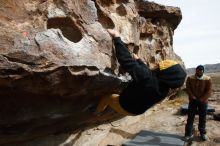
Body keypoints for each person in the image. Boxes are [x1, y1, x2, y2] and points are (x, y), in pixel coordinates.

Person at [95, 29, 187, 116]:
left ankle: (96, 113)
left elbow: (126, 61)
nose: (156, 65)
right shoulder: (164, 90)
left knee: (108, 97)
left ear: (165, 73)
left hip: (124, 106)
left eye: (160, 67)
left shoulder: (148, 79)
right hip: (137, 111)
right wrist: (139, 61)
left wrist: (116, 37)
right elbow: (148, 75)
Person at [183, 65, 212, 141]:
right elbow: (188, 88)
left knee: (202, 118)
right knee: (190, 118)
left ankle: (203, 133)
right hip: (193, 101)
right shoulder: (190, 78)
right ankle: (188, 134)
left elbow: (209, 91)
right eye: (198, 70)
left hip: (203, 102)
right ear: (196, 70)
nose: (199, 71)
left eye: (201, 70)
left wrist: (202, 99)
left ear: (203, 71)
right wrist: (193, 97)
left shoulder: (207, 79)